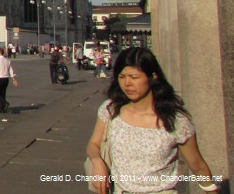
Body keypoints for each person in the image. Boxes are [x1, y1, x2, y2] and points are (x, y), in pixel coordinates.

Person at [85, 47, 217, 194]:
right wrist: (97, 161)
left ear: (153, 77)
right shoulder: (111, 110)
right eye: (122, 77)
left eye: (134, 77)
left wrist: (211, 190)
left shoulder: (175, 120)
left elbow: (198, 166)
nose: (127, 83)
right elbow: (93, 144)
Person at [0, 47, 18, 114]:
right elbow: (11, 70)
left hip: (0, 78)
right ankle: (2, 109)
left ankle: (5, 103)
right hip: (6, 79)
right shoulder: (7, 60)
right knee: (3, 93)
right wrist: (13, 79)